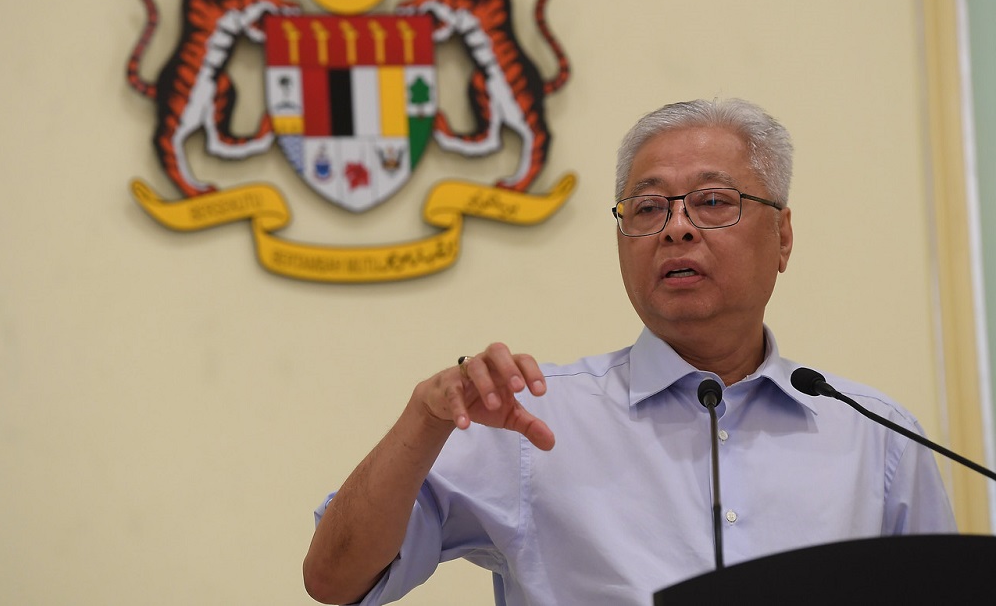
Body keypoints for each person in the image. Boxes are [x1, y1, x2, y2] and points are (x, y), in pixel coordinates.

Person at [303, 98, 956, 605]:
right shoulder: (531, 421)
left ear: (782, 237)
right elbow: (335, 579)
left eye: (712, 202)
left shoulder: (877, 439)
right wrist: (423, 418)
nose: (675, 226)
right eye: (646, 208)